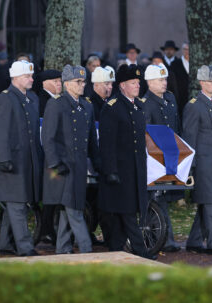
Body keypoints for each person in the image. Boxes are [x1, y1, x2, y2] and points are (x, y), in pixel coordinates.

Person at [98, 64, 156, 260]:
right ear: (122, 85)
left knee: (127, 212)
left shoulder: (138, 106)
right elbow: (107, 143)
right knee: (127, 211)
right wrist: (110, 170)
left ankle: (117, 248)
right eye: (133, 83)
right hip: (120, 171)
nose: (137, 86)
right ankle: (141, 251)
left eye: (138, 83)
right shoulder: (113, 107)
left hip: (135, 169)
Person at [42, 65, 100, 254]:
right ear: (67, 84)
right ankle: (86, 249)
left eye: (83, 81)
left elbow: (91, 140)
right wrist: (55, 164)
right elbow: (48, 138)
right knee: (74, 211)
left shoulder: (87, 106)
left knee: (69, 210)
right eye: (78, 82)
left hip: (79, 167)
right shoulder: (56, 104)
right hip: (62, 168)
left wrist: (98, 164)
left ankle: (62, 250)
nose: (82, 85)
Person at [0, 60, 43, 256]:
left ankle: (5, 243)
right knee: (17, 205)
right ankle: (25, 247)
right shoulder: (5, 99)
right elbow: (0, 131)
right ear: (15, 78)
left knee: (14, 203)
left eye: (31, 76)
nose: (31, 79)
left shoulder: (31, 98)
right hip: (12, 161)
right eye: (27, 76)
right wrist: (3, 158)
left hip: (26, 161)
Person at [182, 64, 212, 256]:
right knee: (211, 202)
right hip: (203, 163)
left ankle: (194, 240)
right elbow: (189, 138)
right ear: (202, 82)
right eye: (211, 81)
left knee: (207, 202)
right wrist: (191, 167)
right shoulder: (194, 105)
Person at [141, 64, 181, 252]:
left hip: (171, 156)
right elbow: (147, 136)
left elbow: (176, 127)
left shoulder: (170, 98)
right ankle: (163, 239)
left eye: (165, 79)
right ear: (149, 82)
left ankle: (165, 238)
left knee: (163, 197)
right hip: (155, 159)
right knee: (156, 198)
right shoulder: (146, 103)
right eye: (160, 80)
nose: (164, 83)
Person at [171, 42, 190, 115]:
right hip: (179, 98)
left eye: (189, 49)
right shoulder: (175, 64)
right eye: (185, 49)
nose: (187, 51)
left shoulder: (196, 63)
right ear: (182, 50)